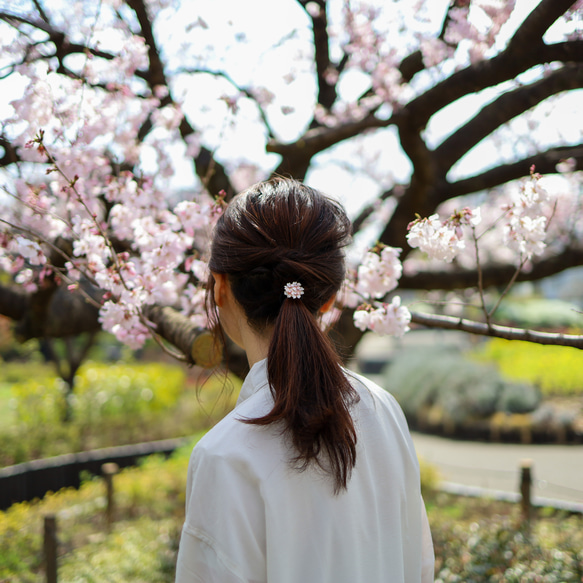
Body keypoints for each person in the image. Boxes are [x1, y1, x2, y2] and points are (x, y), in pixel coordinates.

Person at [175, 178, 434, 583]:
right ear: (329, 299)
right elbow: (418, 567)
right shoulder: (384, 408)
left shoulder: (224, 456)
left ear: (220, 286)